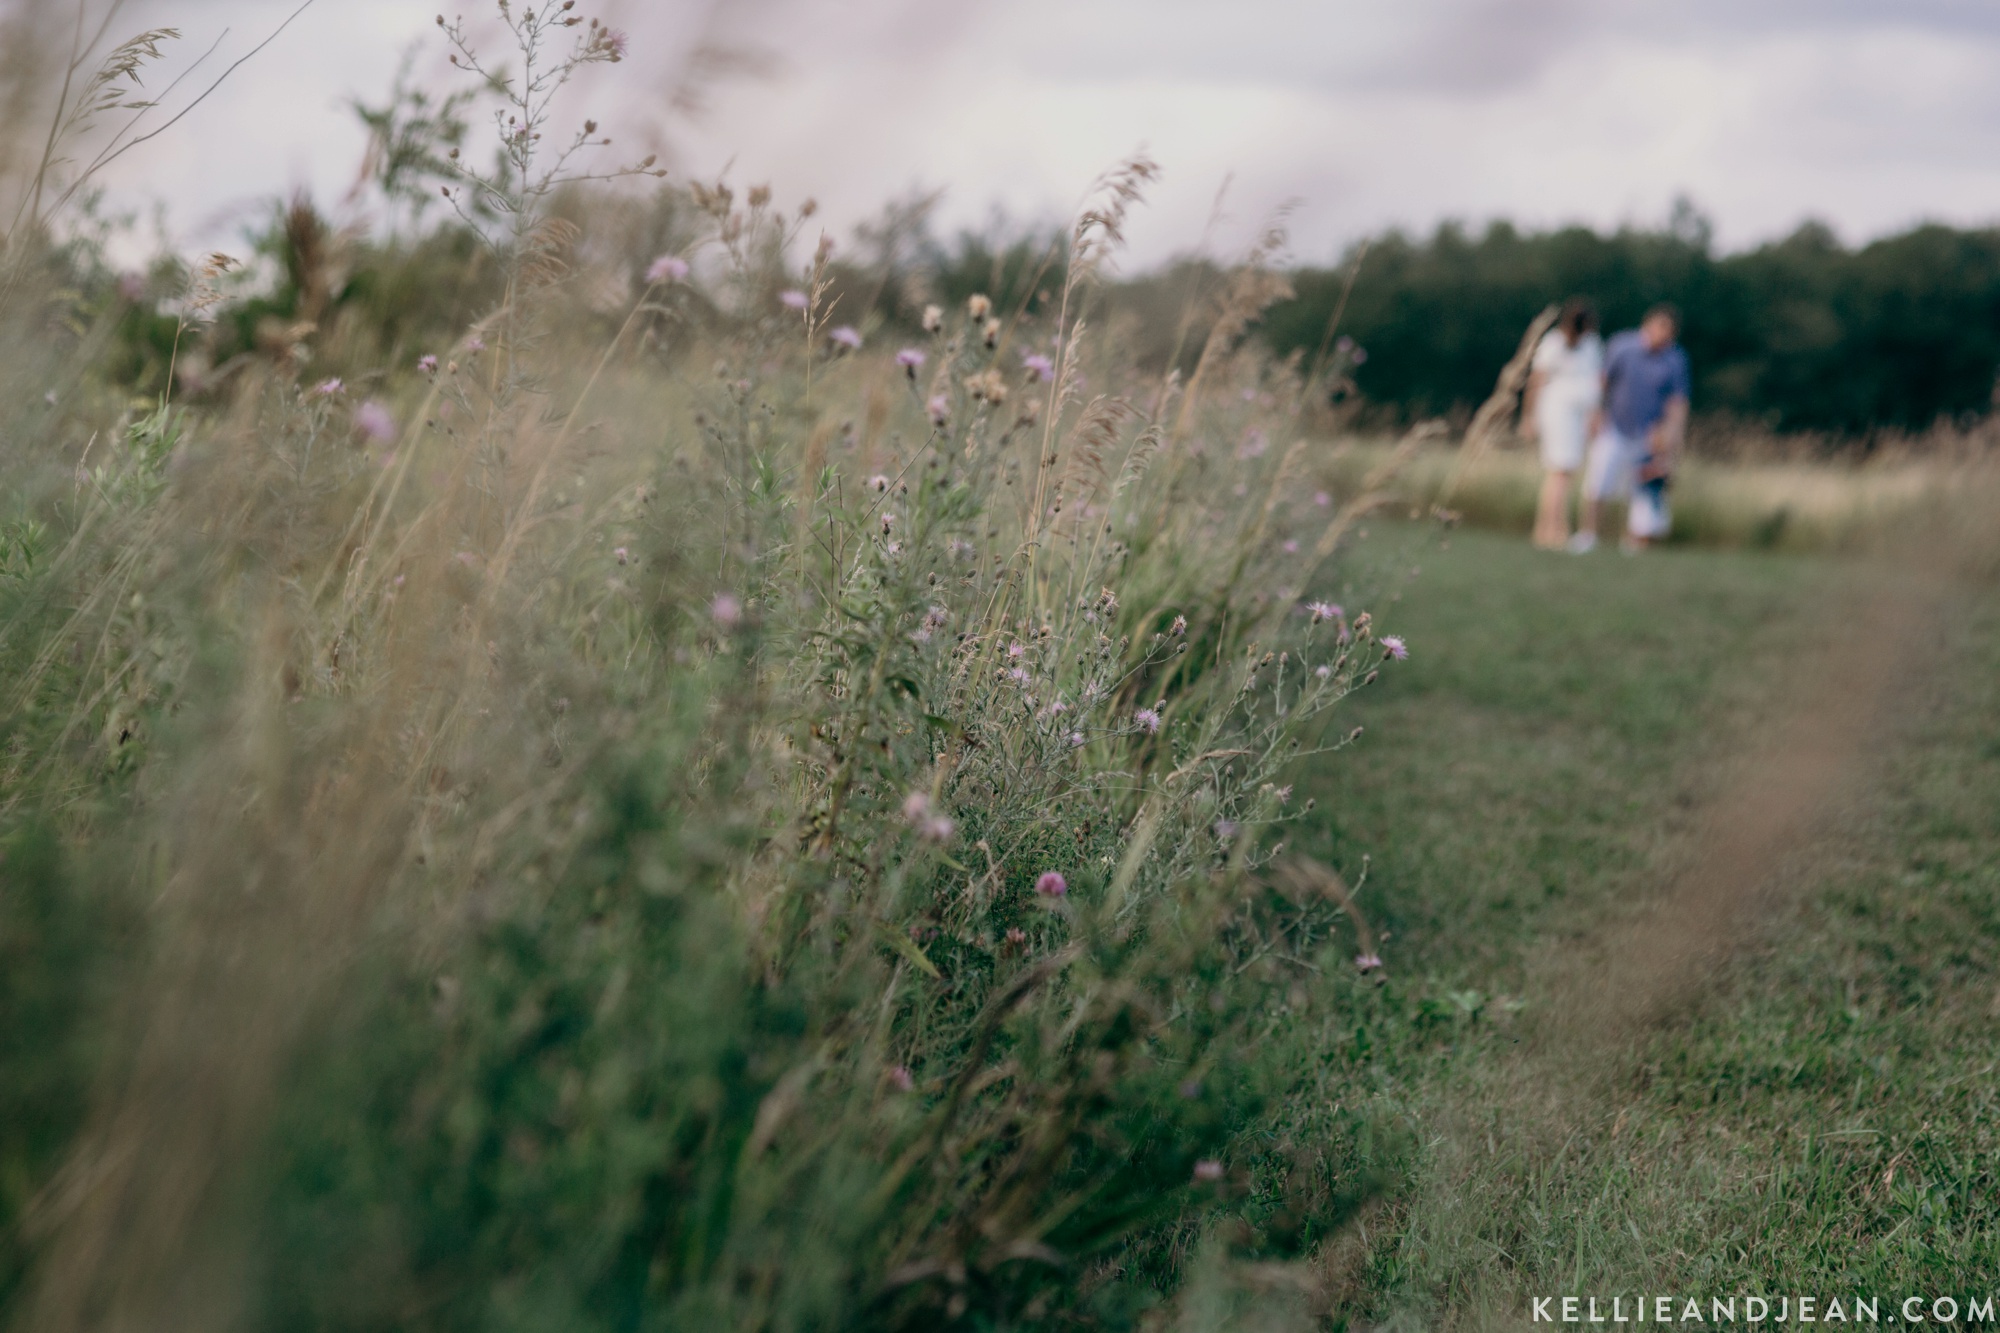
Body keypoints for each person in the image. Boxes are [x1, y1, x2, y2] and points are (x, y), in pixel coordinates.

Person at [1572, 304, 1690, 553]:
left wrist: (1671, 436)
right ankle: (1587, 534)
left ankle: (1633, 540)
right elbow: (1603, 382)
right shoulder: (1622, 346)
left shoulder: (1676, 359)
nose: (1663, 338)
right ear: (1648, 325)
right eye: (1661, 330)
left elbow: (1677, 403)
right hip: (1614, 425)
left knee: (1639, 490)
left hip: (1649, 433)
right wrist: (1595, 413)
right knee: (1598, 482)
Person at [1520, 297, 1602, 549]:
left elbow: (1595, 384)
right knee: (1560, 472)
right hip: (1557, 412)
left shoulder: (1591, 345)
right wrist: (1529, 416)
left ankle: (1553, 528)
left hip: (1577, 414)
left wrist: (1593, 415)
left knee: (1563, 473)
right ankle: (1550, 530)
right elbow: (1537, 380)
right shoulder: (1554, 343)